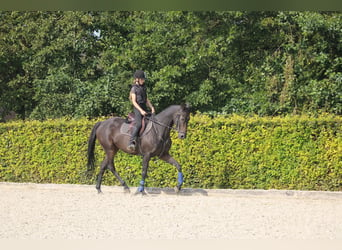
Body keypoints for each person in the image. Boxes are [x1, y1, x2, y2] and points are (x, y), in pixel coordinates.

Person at [127, 70, 155, 151]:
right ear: (137, 79)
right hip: (137, 108)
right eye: (142, 79)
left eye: (144, 79)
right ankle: (131, 142)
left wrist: (151, 107)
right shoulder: (134, 89)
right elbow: (134, 102)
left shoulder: (143, 87)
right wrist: (141, 111)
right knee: (139, 124)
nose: (143, 80)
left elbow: (146, 100)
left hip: (144, 107)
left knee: (152, 121)